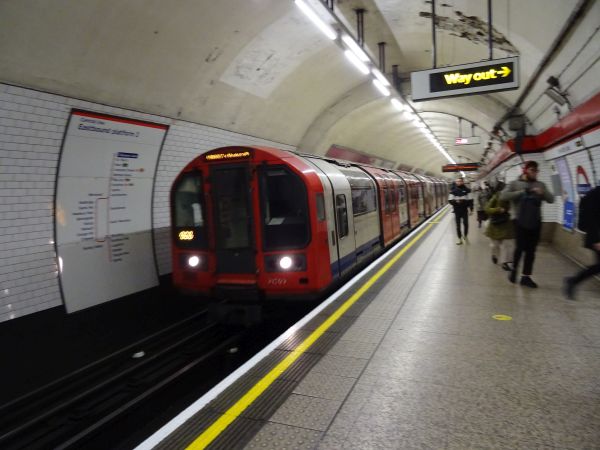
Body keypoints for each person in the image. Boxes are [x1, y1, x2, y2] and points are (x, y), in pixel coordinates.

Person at [500, 160, 554, 287]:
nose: (535, 173)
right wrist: (521, 192)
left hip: (536, 221)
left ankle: (526, 276)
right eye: (532, 170)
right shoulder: (514, 183)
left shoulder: (541, 184)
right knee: (520, 248)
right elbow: (503, 196)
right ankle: (514, 270)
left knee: (531, 250)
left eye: (536, 171)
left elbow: (551, 199)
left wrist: (543, 192)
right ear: (525, 171)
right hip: (519, 221)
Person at [563, 186, 600, 300]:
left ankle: (573, 280)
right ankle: (573, 280)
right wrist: (597, 240)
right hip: (597, 236)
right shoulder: (596, 194)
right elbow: (591, 218)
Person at [484, 181, 514, 270]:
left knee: (507, 244)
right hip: (496, 224)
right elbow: (487, 209)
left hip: (506, 224)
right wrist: (497, 209)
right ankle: (494, 254)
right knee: (495, 245)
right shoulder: (495, 197)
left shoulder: (511, 198)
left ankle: (505, 262)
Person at [448, 177, 473, 245]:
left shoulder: (468, 190)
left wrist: (471, 209)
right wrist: (456, 202)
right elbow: (450, 200)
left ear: (462, 182)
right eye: (457, 181)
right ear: (456, 182)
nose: (458, 182)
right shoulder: (453, 191)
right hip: (457, 210)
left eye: (460, 181)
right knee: (458, 225)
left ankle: (465, 236)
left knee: (466, 224)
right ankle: (459, 239)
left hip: (465, 210)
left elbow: (470, 200)